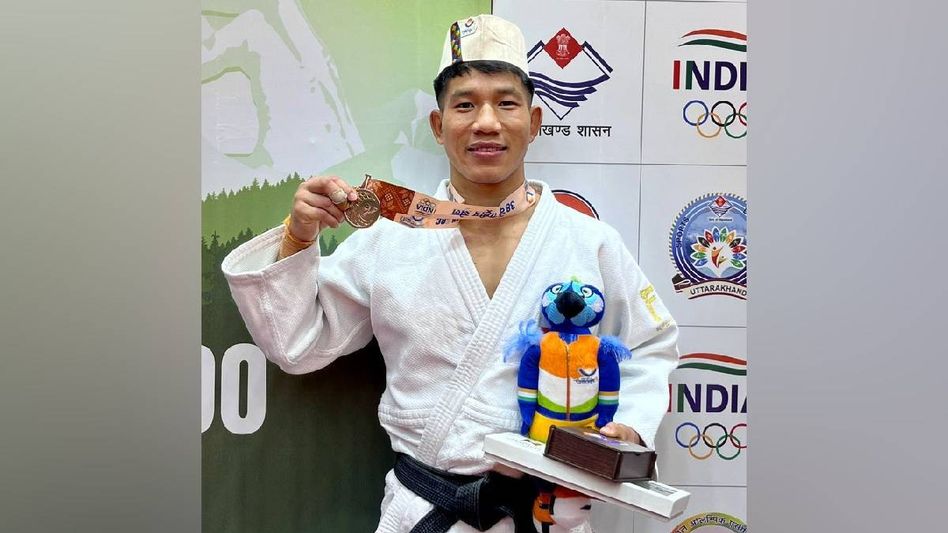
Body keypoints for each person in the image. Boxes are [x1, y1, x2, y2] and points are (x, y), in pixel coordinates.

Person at [222, 14, 679, 533]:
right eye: (465, 105)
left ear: (534, 121)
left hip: (549, 514)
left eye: (506, 103)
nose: (486, 122)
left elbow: (650, 344)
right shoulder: (389, 239)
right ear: (439, 126)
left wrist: (628, 428)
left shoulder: (588, 242)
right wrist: (299, 237)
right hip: (428, 510)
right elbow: (297, 345)